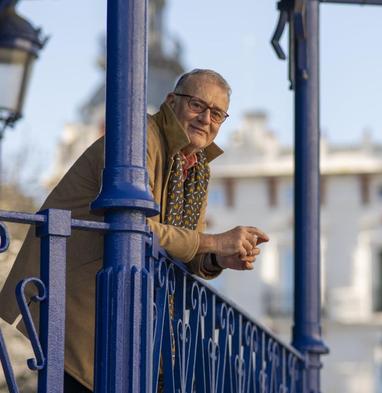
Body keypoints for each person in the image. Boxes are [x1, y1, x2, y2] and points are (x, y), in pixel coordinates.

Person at [0, 69, 269, 392]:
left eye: (216, 113)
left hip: (135, 317)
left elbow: (183, 245)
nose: (205, 119)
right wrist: (213, 241)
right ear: (172, 102)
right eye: (197, 105)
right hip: (83, 308)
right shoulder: (136, 139)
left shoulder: (196, 167)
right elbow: (134, 230)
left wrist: (217, 257)